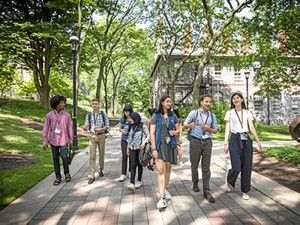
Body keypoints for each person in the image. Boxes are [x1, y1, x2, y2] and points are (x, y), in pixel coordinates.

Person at [224, 92, 263, 200]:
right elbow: (227, 128)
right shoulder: (230, 113)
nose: (235, 100)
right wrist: (225, 143)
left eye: (237, 98)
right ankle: (230, 180)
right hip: (234, 139)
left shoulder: (247, 113)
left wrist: (258, 142)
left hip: (246, 140)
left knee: (246, 166)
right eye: (233, 98)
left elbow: (251, 127)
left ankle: (245, 191)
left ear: (241, 100)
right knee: (236, 167)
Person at [183, 94, 218, 203]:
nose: (208, 104)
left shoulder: (212, 116)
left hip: (207, 141)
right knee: (194, 164)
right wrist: (190, 126)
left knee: (206, 167)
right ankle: (195, 183)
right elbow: (184, 124)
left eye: (210, 102)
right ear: (201, 102)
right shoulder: (194, 113)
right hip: (195, 141)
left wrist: (208, 128)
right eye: (206, 101)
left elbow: (215, 130)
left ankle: (207, 191)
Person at [150, 95, 180, 209]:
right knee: (161, 170)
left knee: (168, 168)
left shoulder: (173, 116)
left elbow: (178, 129)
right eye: (167, 101)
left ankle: (166, 189)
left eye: (170, 101)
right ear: (162, 103)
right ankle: (161, 198)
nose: (169, 103)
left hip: (170, 146)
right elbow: (152, 133)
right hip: (159, 146)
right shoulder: (156, 116)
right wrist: (154, 149)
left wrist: (175, 132)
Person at [42, 95, 73, 186]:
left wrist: (71, 139)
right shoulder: (49, 115)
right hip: (53, 140)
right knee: (55, 160)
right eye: (62, 102)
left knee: (64, 157)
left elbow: (70, 128)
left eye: (64, 102)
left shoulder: (67, 115)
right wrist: (45, 140)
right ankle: (58, 177)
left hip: (63, 140)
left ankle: (67, 173)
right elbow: (46, 128)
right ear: (56, 104)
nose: (64, 104)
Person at [83, 98, 110, 184]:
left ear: (98, 105)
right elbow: (86, 124)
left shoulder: (103, 114)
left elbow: (107, 125)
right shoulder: (89, 115)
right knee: (92, 156)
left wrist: (102, 129)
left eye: (96, 104)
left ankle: (101, 169)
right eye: (93, 104)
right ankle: (91, 175)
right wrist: (85, 127)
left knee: (101, 154)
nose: (94, 105)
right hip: (92, 136)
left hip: (101, 135)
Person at [126, 112, 150, 191]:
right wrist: (127, 148)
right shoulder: (130, 126)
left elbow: (148, 136)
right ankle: (131, 182)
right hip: (132, 148)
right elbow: (129, 138)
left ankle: (139, 180)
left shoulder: (142, 126)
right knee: (132, 165)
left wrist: (144, 143)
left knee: (140, 164)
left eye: (131, 118)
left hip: (140, 148)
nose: (130, 120)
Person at [118, 104, 133, 182]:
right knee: (124, 156)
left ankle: (130, 171)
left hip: (131, 140)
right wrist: (122, 131)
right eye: (125, 112)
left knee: (131, 155)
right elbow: (119, 128)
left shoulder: (133, 119)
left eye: (128, 111)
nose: (126, 113)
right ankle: (123, 173)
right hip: (124, 139)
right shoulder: (122, 119)